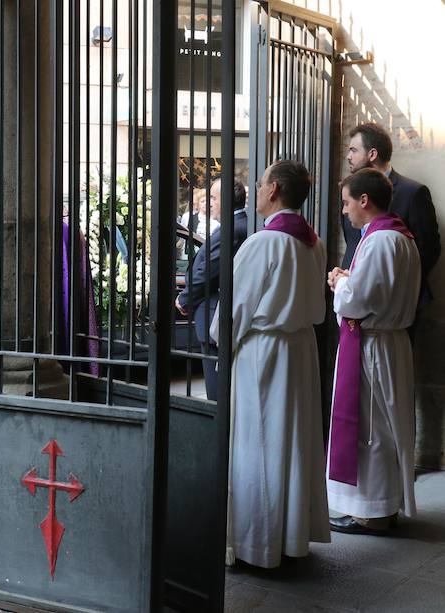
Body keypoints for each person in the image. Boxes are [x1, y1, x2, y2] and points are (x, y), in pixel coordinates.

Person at [212, 161, 330, 568]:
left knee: (257, 445)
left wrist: (219, 341)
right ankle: (290, 538)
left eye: (260, 183)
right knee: (291, 444)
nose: (257, 189)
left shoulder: (263, 243)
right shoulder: (313, 242)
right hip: (299, 350)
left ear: (275, 189)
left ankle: (257, 545)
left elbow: (233, 310)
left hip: (263, 354)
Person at [326, 168, 420, 535]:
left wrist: (339, 282)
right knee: (381, 423)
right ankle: (379, 506)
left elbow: (359, 300)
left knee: (372, 428)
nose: (345, 211)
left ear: (365, 200)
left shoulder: (382, 241)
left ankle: (373, 511)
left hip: (375, 346)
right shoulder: (398, 236)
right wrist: (349, 280)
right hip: (385, 342)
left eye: (347, 203)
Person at [340, 122, 439, 309]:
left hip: (396, 304)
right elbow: (352, 242)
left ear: (372, 154)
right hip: (351, 297)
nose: (348, 156)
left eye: (353, 150)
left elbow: (429, 249)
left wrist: (398, 287)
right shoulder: (350, 191)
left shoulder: (413, 193)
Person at [174, 178, 248, 401]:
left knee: (217, 390)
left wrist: (184, 299)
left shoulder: (233, 229)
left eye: (214, 198)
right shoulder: (236, 226)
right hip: (216, 313)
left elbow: (207, 272)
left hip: (216, 314)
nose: (210, 203)